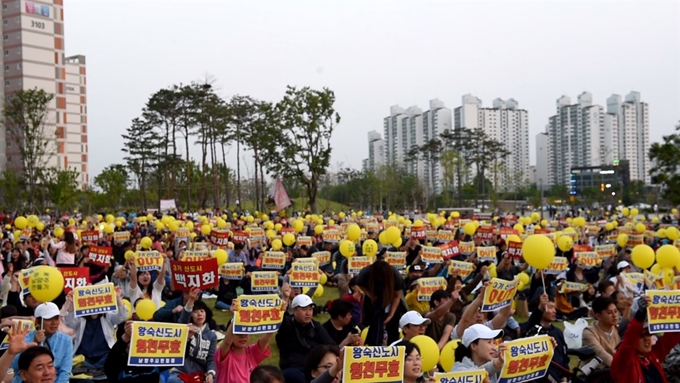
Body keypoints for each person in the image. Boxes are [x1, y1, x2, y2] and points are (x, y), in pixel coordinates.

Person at [611, 296, 680, 382]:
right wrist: (640, 315)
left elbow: (670, 338)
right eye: (642, 335)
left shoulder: (652, 356)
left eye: (649, 334)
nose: (647, 338)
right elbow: (629, 341)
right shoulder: (623, 362)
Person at [215, 300, 280, 383]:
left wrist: (280, 309)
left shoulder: (251, 352)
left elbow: (267, 337)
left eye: (245, 333)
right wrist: (236, 316)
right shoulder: (223, 355)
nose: (243, 336)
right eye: (238, 333)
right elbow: (227, 342)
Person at [63, 286, 128, 368]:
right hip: (84, 358)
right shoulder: (80, 319)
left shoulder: (107, 316)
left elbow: (122, 316)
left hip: (105, 356)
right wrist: (71, 303)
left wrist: (118, 297)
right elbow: (69, 322)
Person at [276, 295, 335, 383]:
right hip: (293, 368)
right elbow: (280, 316)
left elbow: (331, 345)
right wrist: (285, 298)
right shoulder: (287, 324)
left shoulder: (316, 326)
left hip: (314, 367)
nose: (308, 313)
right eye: (304, 309)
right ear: (294, 310)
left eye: (310, 309)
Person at [10, 302, 73, 383]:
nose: (54, 323)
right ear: (37, 322)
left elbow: (65, 371)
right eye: (49, 319)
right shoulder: (23, 338)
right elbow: (15, 366)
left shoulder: (66, 340)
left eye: (56, 318)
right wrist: (35, 344)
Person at [355, 260, 404, 346]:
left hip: (391, 298)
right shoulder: (366, 272)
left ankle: (392, 347)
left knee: (392, 327)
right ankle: (371, 344)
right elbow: (359, 283)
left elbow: (397, 296)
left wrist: (391, 314)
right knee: (371, 323)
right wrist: (369, 294)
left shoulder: (395, 275)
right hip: (373, 299)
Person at [169, 296, 217, 383]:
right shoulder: (185, 329)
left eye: (202, 311)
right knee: (173, 380)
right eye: (195, 312)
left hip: (200, 374)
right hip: (181, 372)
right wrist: (191, 300)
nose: (199, 314)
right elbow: (183, 319)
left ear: (206, 314)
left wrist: (210, 373)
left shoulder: (212, 336)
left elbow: (211, 359)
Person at [524, 293, 569, 382]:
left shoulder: (558, 332)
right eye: (550, 307)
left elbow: (564, 355)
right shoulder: (532, 331)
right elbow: (527, 329)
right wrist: (540, 308)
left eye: (554, 308)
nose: (554, 311)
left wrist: (565, 376)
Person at [582, 296, 620, 367]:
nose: (614, 315)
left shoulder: (618, 329)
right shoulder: (589, 332)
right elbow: (600, 353)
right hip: (597, 374)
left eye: (615, 311)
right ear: (598, 316)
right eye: (609, 313)